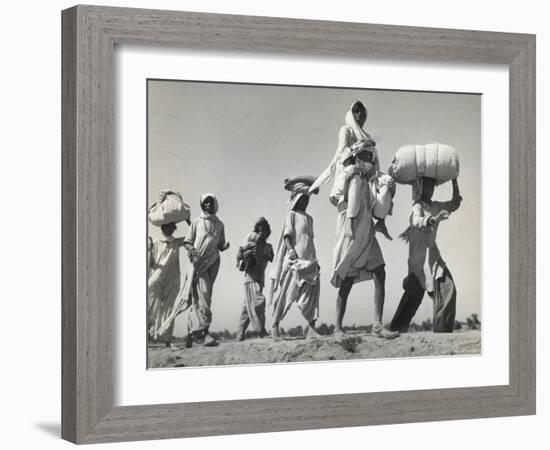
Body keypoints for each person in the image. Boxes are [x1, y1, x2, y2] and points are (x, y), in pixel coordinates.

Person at [330, 145, 399, 340]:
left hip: (367, 230)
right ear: (356, 157)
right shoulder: (354, 176)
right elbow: (351, 202)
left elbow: (378, 208)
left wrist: (388, 191)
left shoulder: (370, 182)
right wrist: (351, 225)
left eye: (370, 156)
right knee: (347, 279)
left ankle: (377, 324)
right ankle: (337, 328)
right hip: (352, 230)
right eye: (363, 155)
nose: (367, 159)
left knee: (380, 270)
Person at [309, 100, 393, 240]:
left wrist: (377, 174)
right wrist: (360, 146)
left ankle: (381, 221)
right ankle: (349, 220)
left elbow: (374, 161)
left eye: (362, 111)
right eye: (356, 110)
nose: (360, 113)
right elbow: (343, 154)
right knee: (355, 176)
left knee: (389, 182)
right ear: (352, 113)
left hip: (368, 174)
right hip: (350, 171)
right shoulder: (346, 130)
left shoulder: (367, 136)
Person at [389, 177, 462, 333]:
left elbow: (455, 203)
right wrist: (435, 219)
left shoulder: (435, 206)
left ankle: (442, 332)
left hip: (432, 256)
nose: (430, 189)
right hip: (418, 259)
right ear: (420, 188)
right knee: (412, 298)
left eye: (431, 185)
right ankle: (396, 331)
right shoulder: (417, 206)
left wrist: (454, 181)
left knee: (448, 288)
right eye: (426, 185)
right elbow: (417, 221)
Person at [269, 176, 321, 340]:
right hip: (294, 261)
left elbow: (308, 240)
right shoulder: (291, 215)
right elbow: (287, 236)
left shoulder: (309, 218)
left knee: (312, 295)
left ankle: (311, 328)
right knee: (285, 294)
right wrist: (291, 251)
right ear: (297, 198)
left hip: (310, 260)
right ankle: (274, 326)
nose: (305, 201)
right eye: (302, 198)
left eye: (307, 198)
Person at [179, 193, 230, 347]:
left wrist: (225, 247)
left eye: (211, 202)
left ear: (214, 204)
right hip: (198, 262)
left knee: (203, 296)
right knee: (203, 296)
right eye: (206, 203)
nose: (208, 205)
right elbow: (186, 242)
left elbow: (220, 245)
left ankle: (191, 333)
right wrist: (193, 250)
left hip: (213, 262)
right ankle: (204, 333)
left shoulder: (220, 225)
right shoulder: (196, 222)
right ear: (202, 205)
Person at [147, 218, 190, 351]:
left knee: (168, 308)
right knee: (151, 307)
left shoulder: (176, 242)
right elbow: (151, 264)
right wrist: (148, 249)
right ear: (163, 228)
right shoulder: (155, 242)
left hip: (173, 278)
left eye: (172, 226)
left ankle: (166, 340)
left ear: (174, 229)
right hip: (156, 278)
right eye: (167, 226)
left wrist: (188, 221)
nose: (169, 229)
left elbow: (192, 236)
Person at [235, 217, 274, 341]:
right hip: (250, 277)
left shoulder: (268, 247)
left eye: (264, 231)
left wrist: (266, 255)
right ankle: (261, 330)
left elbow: (272, 258)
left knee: (247, 308)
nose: (262, 233)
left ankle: (240, 333)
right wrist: (246, 253)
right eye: (259, 230)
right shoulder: (250, 242)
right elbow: (239, 255)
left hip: (260, 278)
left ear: (268, 232)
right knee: (259, 301)